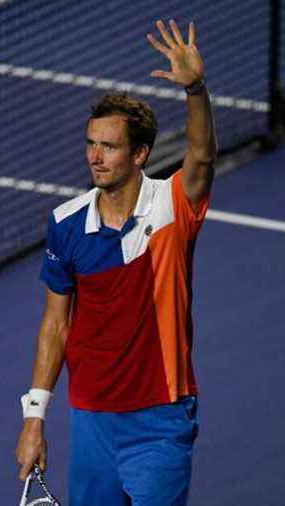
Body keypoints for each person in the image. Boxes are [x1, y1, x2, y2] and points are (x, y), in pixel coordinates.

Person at [15, 19, 216, 505]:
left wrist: (196, 90)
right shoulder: (65, 223)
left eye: (109, 146)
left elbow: (202, 157)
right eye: (91, 143)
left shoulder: (173, 206)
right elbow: (55, 325)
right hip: (92, 422)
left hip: (160, 418)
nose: (95, 157)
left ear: (141, 153)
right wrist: (34, 418)